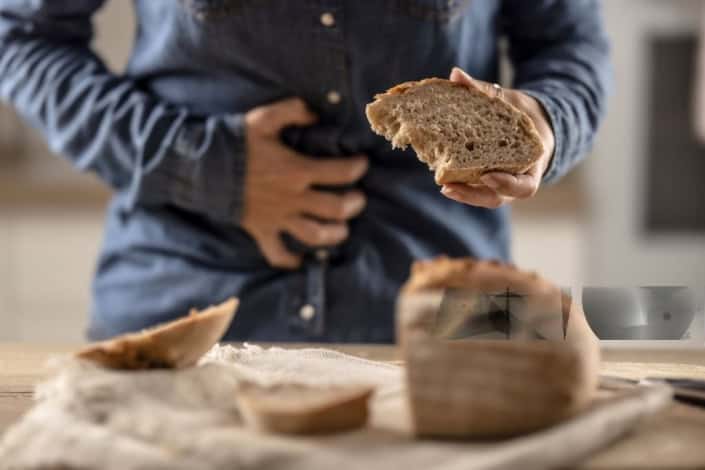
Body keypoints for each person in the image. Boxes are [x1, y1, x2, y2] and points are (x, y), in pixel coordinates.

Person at [0, 1, 610, 342]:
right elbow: (22, 37)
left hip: (446, 325)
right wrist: (207, 167)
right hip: (181, 313)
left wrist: (546, 125)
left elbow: (570, 44)